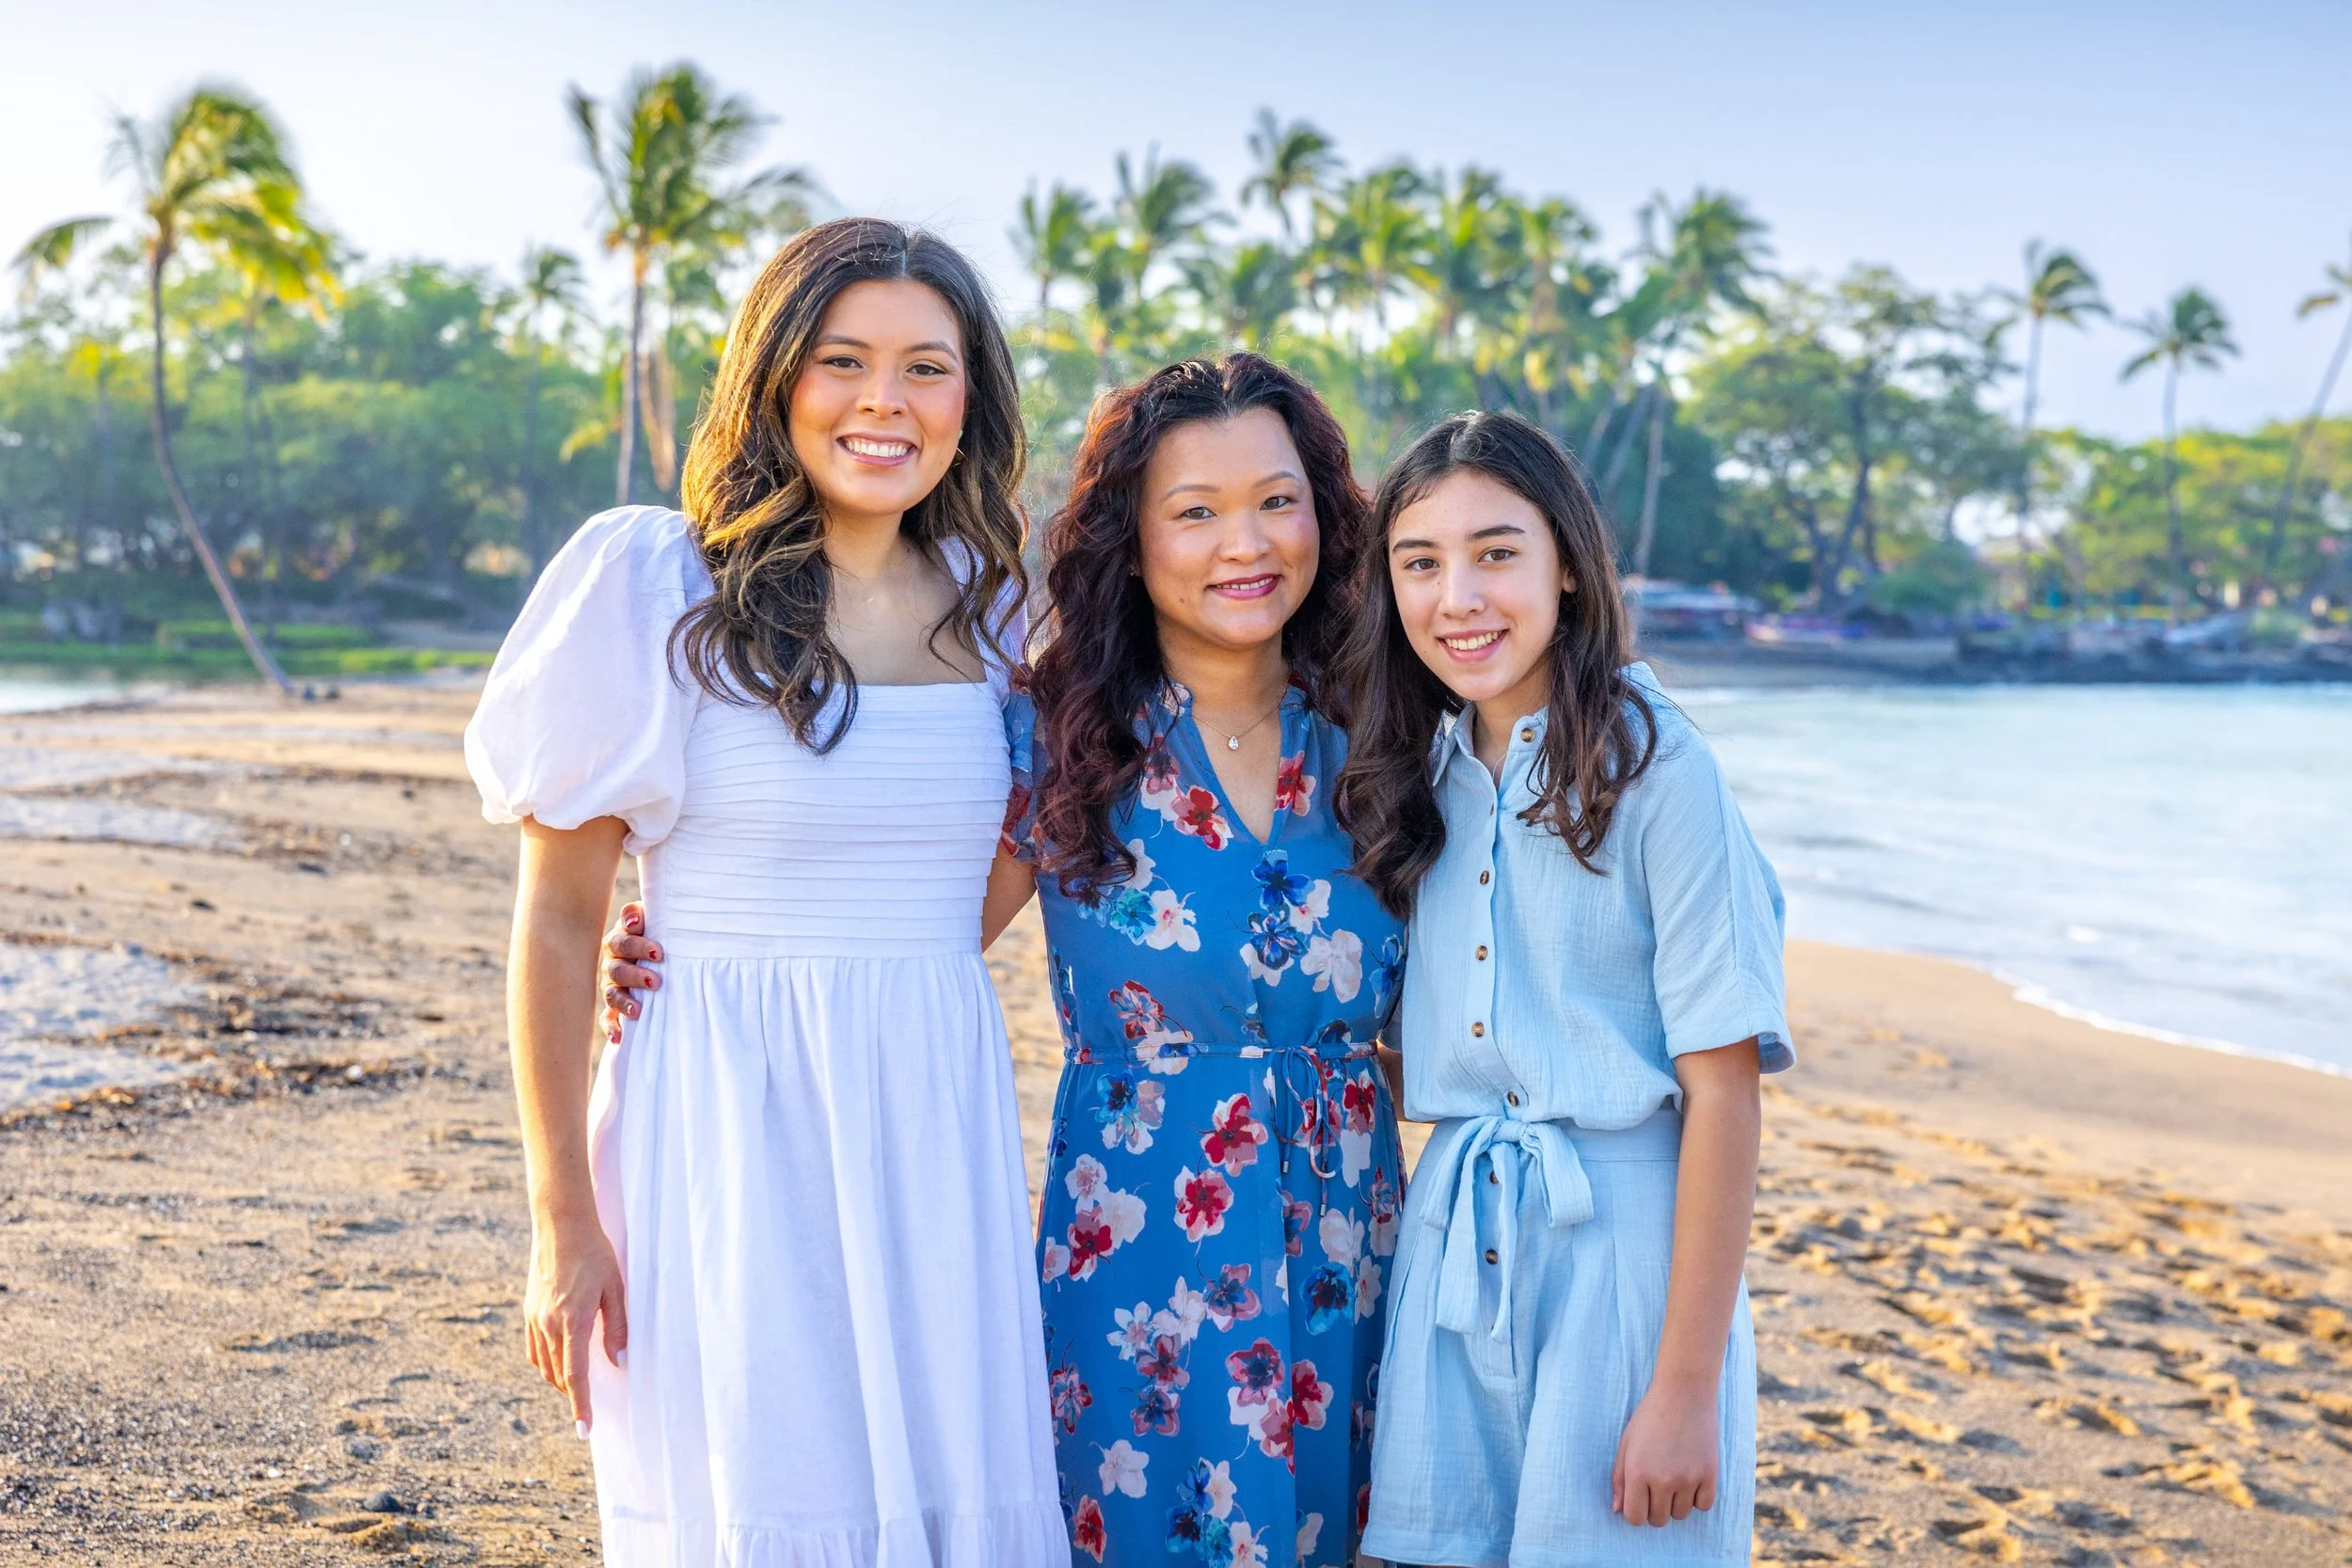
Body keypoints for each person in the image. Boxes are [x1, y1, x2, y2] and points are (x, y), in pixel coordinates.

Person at [601, 356, 1407, 1568]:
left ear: (1325, 517)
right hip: (1143, 1257)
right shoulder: (1056, 737)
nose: (1244, 542)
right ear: (1129, 542)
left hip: (1360, 1242)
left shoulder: (1387, 739)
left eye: (1276, 500)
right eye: (1193, 511)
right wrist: (679, 938)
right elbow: (901, 919)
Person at [466, 216, 1063, 1567]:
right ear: (776, 374)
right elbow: (558, 919)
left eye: (928, 366)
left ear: (972, 399)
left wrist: (868, 960)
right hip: (721, 1115)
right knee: (759, 1493)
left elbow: (991, 867)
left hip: (931, 1109)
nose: (884, 401)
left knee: (944, 1490)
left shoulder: (997, 605)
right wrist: (562, 1218)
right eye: (843, 360)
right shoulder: (657, 579)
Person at [1337, 411, 1789, 1567]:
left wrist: (1685, 1387)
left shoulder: (1662, 767)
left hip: (1624, 1256)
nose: (1458, 597)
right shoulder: (1418, 773)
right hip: (1455, 1241)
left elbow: (1725, 1093)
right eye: (1419, 562)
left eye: (1497, 552)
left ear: (1569, 568)